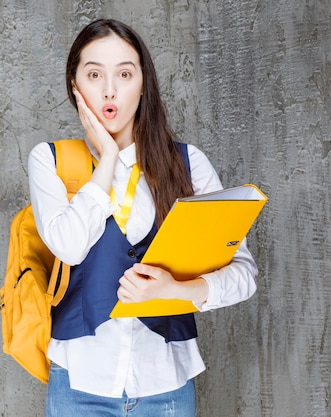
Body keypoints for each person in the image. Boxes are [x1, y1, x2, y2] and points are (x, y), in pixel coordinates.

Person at [28, 19, 257, 416]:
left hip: (166, 387)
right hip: (78, 386)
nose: (110, 89)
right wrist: (108, 160)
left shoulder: (187, 165)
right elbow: (68, 245)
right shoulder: (51, 161)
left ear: (143, 84)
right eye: (94, 74)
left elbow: (244, 276)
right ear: (74, 86)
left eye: (125, 74)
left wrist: (176, 291)